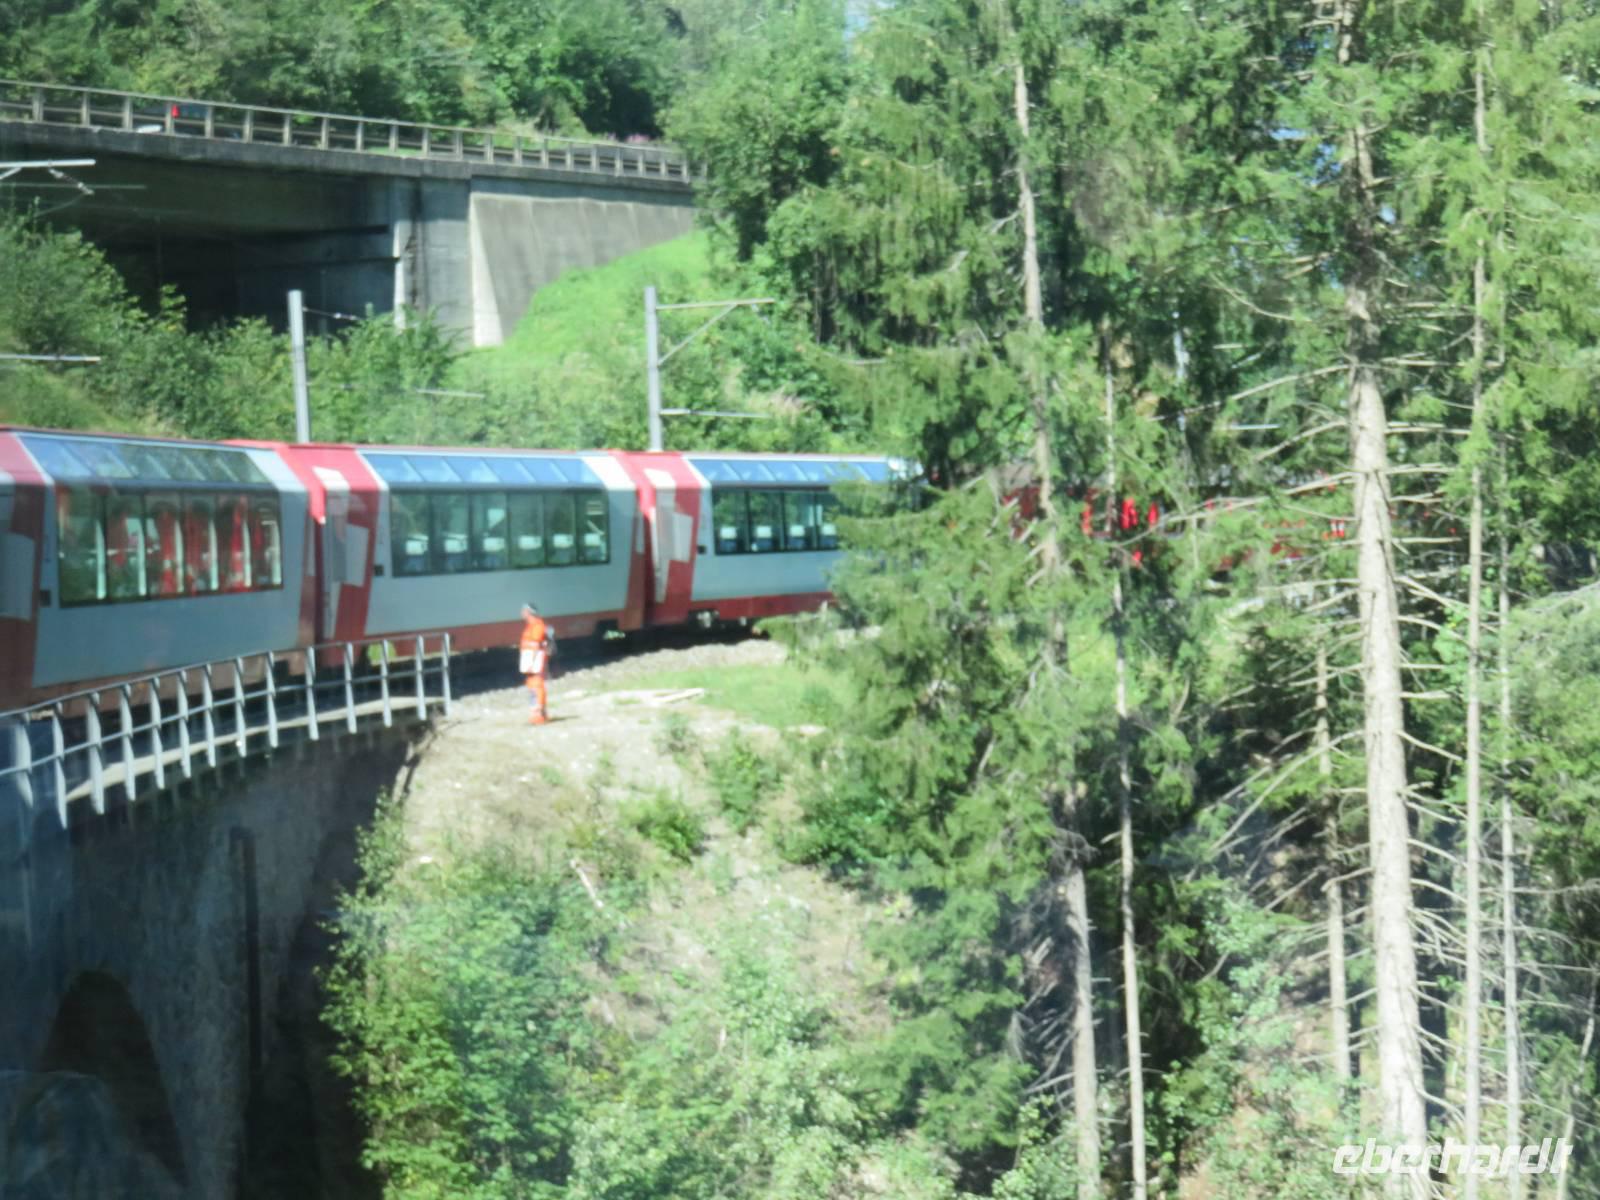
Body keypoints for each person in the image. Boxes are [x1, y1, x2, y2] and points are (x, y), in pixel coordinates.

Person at [519, 603, 551, 725]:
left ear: (529, 612)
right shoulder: (530, 626)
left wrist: (531, 662)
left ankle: (540, 714)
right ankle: (536, 714)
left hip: (536, 660)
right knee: (532, 686)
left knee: (537, 685)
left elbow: (536, 645)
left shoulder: (537, 625)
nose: (521, 613)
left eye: (523, 610)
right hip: (530, 660)